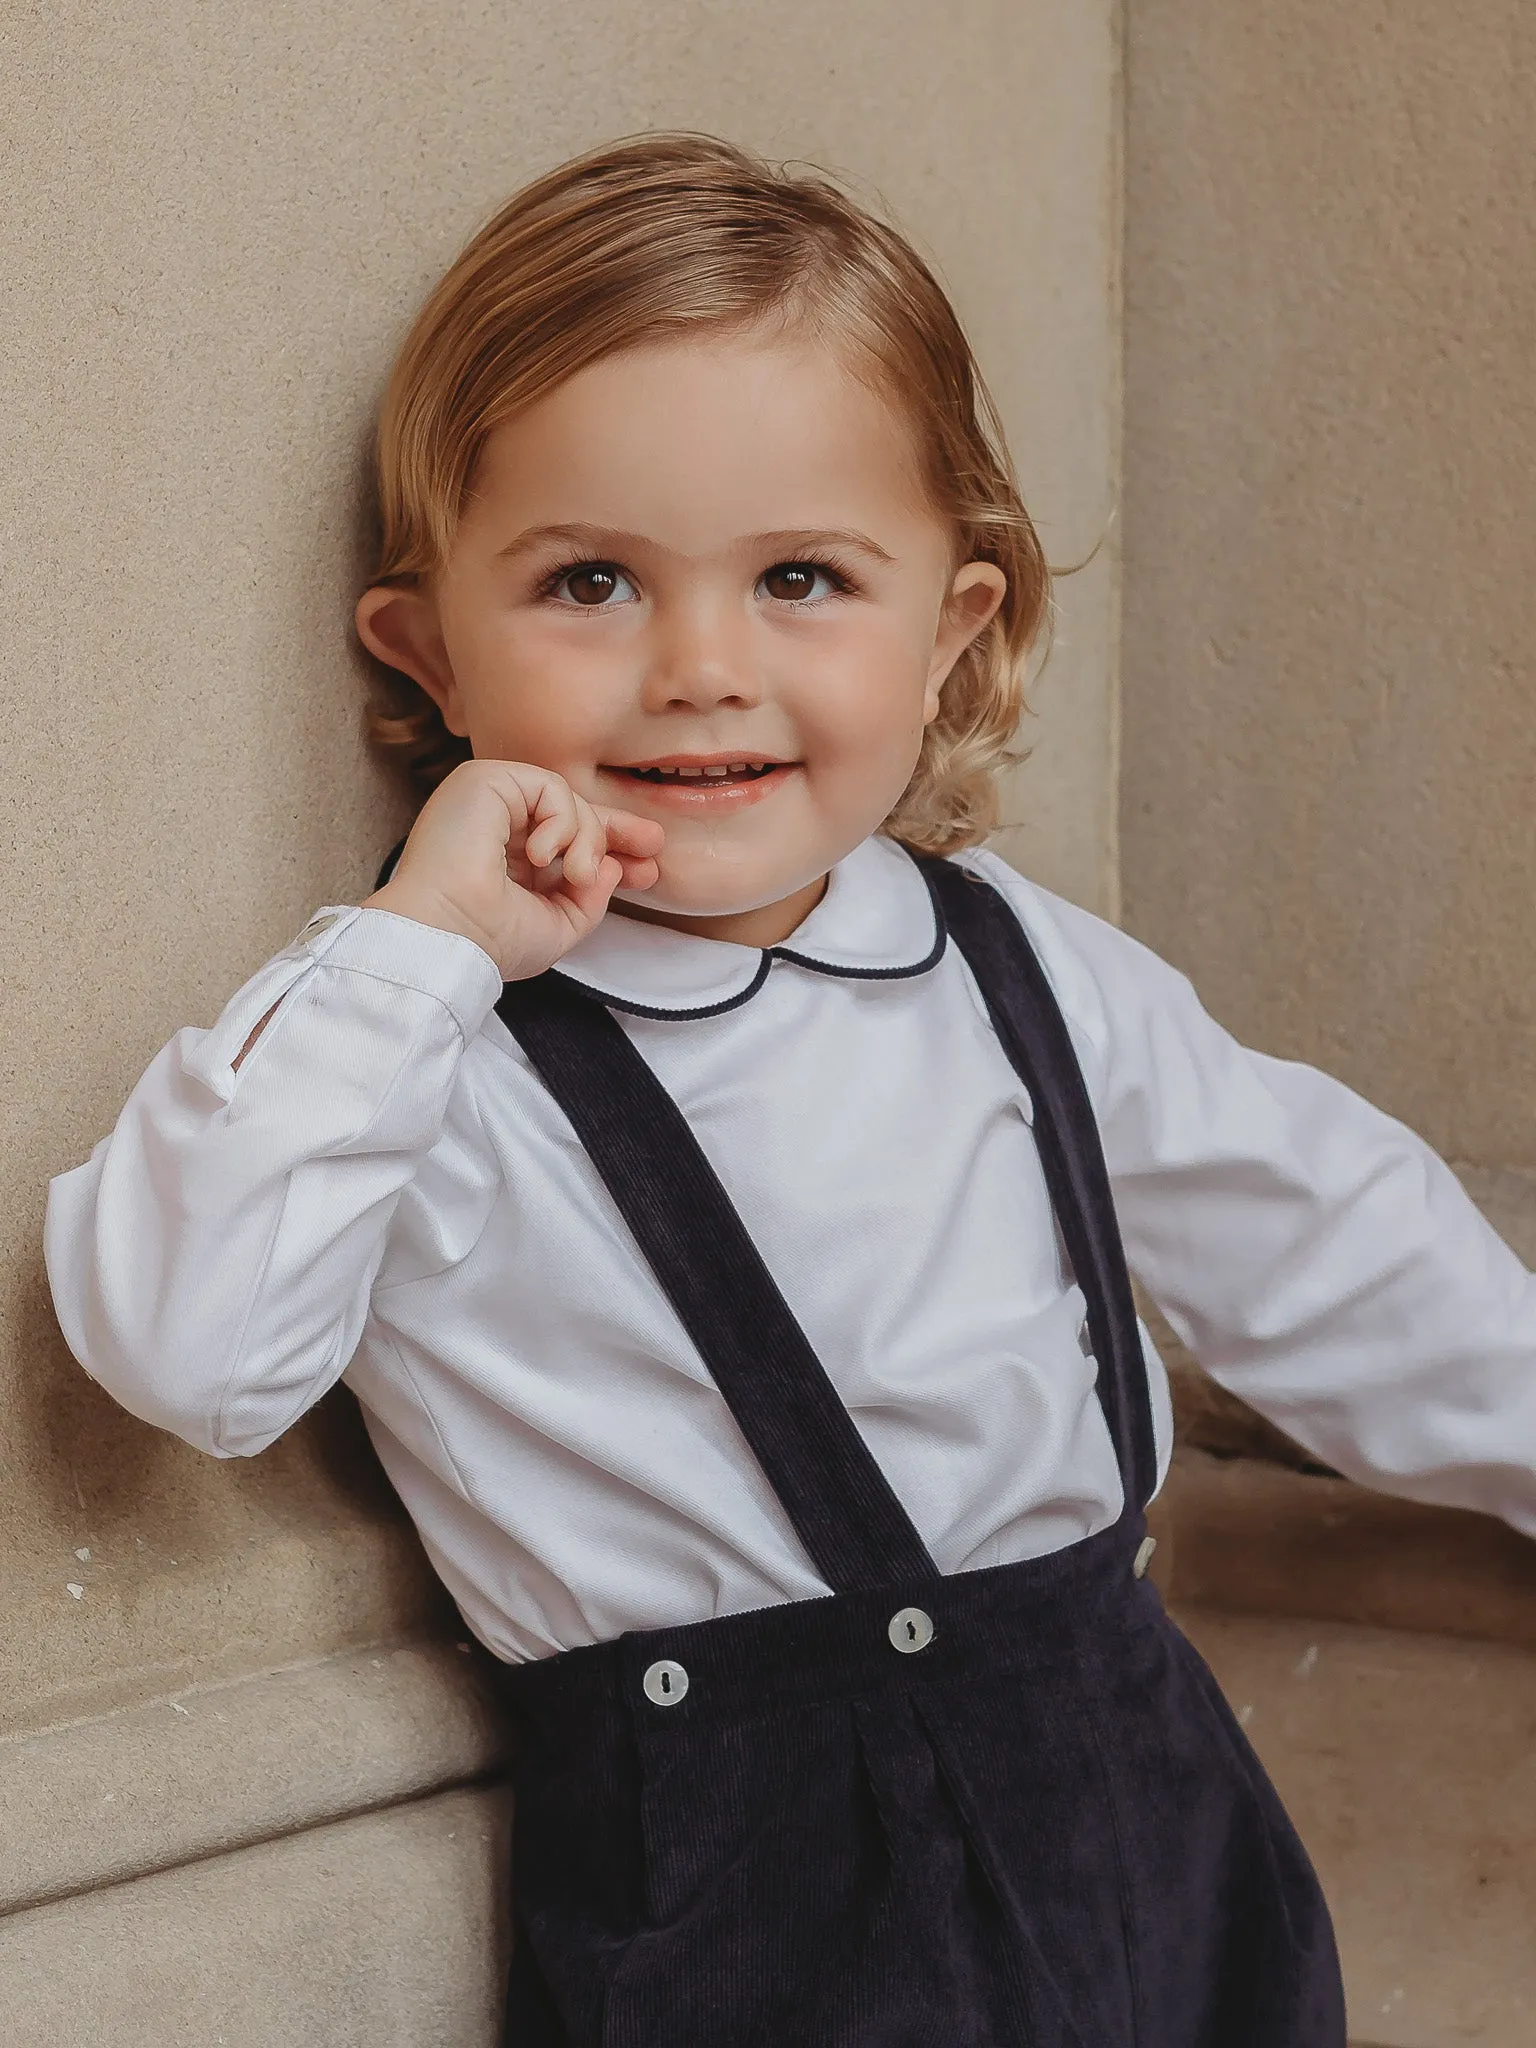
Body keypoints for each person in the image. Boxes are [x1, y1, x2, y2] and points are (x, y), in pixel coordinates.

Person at [44, 134, 1536, 2047]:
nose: (702, 667)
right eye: (590, 581)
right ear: (426, 652)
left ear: (951, 635)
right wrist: (416, 947)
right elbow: (185, 1348)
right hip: (752, 1913)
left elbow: (1334, 1243)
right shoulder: (436, 1049)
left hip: (1149, 1820)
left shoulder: (1021, 966)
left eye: (804, 579)